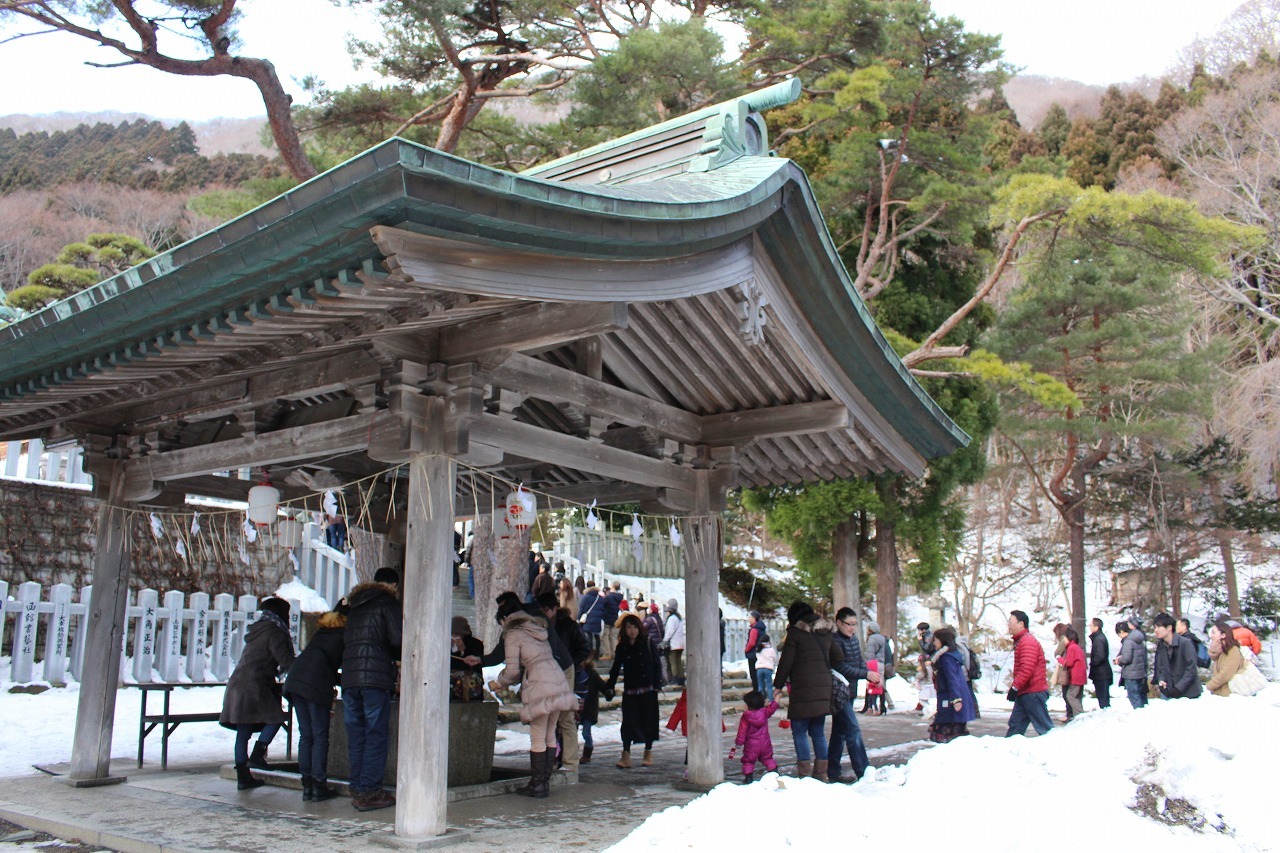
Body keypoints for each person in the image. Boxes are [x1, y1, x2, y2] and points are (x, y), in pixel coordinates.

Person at [489, 597, 579, 798]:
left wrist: (498, 682)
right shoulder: (537, 628)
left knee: (538, 735)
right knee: (549, 733)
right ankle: (543, 783)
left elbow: (512, 671)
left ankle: (537, 785)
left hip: (539, 684)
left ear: (505, 619)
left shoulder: (513, 634)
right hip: (556, 678)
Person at [341, 567, 402, 812]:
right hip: (375, 680)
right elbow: (398, 638)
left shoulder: (354, 607)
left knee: (357, 736)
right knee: (376, 734)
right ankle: (369, 791)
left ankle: (356, 786)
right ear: (393, 585)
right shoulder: (387, 604)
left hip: (350, 679)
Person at [220, 596, 296, 791]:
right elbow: (286, 661)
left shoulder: (258, 629)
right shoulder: (275, 632)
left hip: (238, 683)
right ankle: (257, 754)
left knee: (243, 731)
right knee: (276, 718)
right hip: (255, 685)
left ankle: (243, 775)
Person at [283, 603, 346, 802]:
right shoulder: (343, 637)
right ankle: (319, 784)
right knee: (319, 736)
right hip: (314, 686)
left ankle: (307, 784)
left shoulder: (320, 635)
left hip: (295, 682)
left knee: (306, 735)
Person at [773, 601, 843, 781]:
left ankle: (804, 773)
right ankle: (821, 773)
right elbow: (838, 657)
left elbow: (785, 662)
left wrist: (778, 686)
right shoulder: (826, 632)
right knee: (818, 731)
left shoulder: (795, 634)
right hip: (823, 689)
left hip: (803, 688)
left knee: (799, 730)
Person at [537, 592, 589, 771]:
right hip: (547, 674)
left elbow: (584, 647)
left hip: (566, 672)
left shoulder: (568, 626)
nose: (544, 614)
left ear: (554, 609)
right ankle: (552, 759)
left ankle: (570, 762)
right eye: (541, 610)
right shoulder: (539, 626)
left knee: (566, 717)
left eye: (546, 610)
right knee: (550, 717)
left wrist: (571, 664)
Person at [607, 612, 664, 769]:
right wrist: (610, 686)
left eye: (634, 627)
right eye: (628, 627)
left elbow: (657, 664)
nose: (631, 630)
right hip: (631, 690)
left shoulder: (647, 642)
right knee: (628, 722)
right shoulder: (622, 647)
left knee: (648, 721)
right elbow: (616, 667)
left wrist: (657, 683)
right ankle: (626, 755)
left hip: (648, 689)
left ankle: (648, 752)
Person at [829, 606, 874, 782]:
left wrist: (867, 672)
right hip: (839, 692)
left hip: (852, 690)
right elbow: (840, 667)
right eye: (849, 624)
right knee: (853, 729)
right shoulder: (834, 641)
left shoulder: (854, 639)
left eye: (855, 624)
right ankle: (863, 771)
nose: (852, 628)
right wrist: (865, 674)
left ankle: (833, 771)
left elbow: (858, 661)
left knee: (839, 733)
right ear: (839, 623)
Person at [1005, 609, 1053, 737]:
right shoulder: (1022, 640)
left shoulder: (1027, 641)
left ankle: (1056, 751)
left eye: (1010, 621)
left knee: (1045, 729)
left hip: (1033, 693)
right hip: (1026, 692)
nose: (1008, 624)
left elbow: (1027, 668)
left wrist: (1015, 687)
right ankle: (1007, 751)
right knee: (1015, 726)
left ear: (1021, 624)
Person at [928, 626, 976, 743]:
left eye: (936, 640)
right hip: (951, 695)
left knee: (947, 727)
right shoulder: (951, 656)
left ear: (942, 640)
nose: (934, 643)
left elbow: (952, 679)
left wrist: (956, 699)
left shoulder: (946, 658)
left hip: (949, 698)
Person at [730, 690, 780, 784]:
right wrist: (777, 698)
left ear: (749, 705)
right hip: (765, 743)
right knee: (768, 758)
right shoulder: (765, 712)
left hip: (751, 746)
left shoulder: (746, 717)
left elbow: (742, 732)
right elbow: (772, 708)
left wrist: (738, 743)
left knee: (748, 761)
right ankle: (774, 772)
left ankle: (748, 778)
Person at [1151, 612, 1202, 699]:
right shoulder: (1161, 645)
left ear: (1169, 627)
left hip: (1189, 694)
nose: (1156, 630)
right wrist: (1162, 680)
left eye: (1159, 627)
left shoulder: (1186, 643)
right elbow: (1162, 666)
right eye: (1155, 627)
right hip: (1170, 692)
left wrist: (1179, 688)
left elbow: (1191, 669)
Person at [576, 650, 614, 764]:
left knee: (586, 732)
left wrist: (609, 690)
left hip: (589, 709)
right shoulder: (575, 673)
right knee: (572, 731)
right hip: (577, 708)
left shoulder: (592, 674)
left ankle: (587, 753)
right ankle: (571, 752)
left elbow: (602, 686)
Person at [1204, 620, 1245, 696]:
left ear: (1223, 635)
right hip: (1220, 694)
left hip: (1232, 695)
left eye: (1214, 632)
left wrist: (1208, 686)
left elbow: (1225, 675)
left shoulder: (1233, 651)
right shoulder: (1220, 652)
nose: (1211, 636)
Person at [1114, 618, 1149, 709]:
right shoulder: (1139, 639)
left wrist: (1119, 660)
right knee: (1140, 695)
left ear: (1122, 632)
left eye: (1119, 634)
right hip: (1140, 672)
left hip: (1131, 673)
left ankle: (1139, 714)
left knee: (1133, 696)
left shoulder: (1128, 641)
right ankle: (1144, 712)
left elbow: (1126, 658)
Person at [1056, 625, 1087, 721]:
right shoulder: (1076, 647)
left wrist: (1059, 659)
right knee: (1077, 696)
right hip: (1080, 676)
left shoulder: (1072, 648)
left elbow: (1068, 662)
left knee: (1070, 696)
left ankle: (1080, 715)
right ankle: (1078, 715)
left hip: (1075, 676)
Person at [862, 621, 893, 714]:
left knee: (872, 685)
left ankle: (872, 707)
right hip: (881, 663)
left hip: (874, 664)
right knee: (880, 685)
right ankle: (882, 706)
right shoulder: (882, 638)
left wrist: (868, 666)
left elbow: (870, 654)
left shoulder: (872, 639)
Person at [1088, 617, 1113, 709]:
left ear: (1096, 627)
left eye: (1091, 625)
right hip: (1101, 672)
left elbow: (1100, 656)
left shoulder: (1099, 639)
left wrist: (1093, 663)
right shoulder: (1098, 638)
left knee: (1103, 698)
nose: (1089, 627)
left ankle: (1105, 715)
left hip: (1101, 673)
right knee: (1102, 697)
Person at [662, 599, 686, 687]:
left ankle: (674, 677)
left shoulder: (672, 619)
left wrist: (665, 639)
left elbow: (669, 631)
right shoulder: (678, 618)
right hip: (680, 643)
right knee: (678, 661)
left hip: (674, 644)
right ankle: (681, 677)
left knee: (673, 661)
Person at [577, 581, 604, 655]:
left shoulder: (586, 597)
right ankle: (597, 653)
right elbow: (603, 609)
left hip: (588, 619)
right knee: (596, 635)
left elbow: (581, 609)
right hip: (597, 620)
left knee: (589, 636)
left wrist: (578, 618)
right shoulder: (600, 598)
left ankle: (590, 653)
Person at [744, 611, 769, 687]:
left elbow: (751, 642)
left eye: (750, 617)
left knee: (754, 675)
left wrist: (746, 650)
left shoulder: (754, 629)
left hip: (753, 654)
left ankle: (757, 692)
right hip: (760, 653)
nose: (749, 619)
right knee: (759, 675)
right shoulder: (761, 628)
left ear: (754, 619)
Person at [600, 582, 625, 659]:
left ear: (612, 587)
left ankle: (607, 653)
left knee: (605, 636)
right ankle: (614, 653)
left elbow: (602, 604)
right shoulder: (620, 597)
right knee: (613, 637)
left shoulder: (608, 597)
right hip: (615, 618)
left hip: (607, 618)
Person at [912, 622, 933, 712]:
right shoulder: (928, 635)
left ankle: (924, 705)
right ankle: (921, 705)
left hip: (927, 660)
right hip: (926, 659)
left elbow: (927, 648)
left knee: (925, 681)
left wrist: (920, 641)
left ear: (923, 630)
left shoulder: (928, 637)